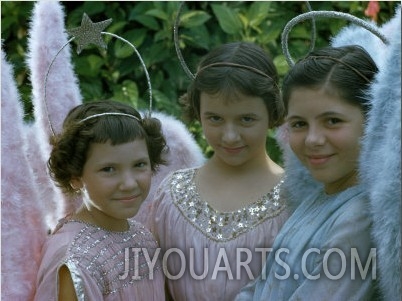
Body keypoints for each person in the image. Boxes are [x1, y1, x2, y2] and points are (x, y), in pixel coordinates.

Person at [235, 45, 379, 300]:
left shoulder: (358, 219)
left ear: (371, 121)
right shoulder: (320, 198)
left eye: (332, 121)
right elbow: (263, 285)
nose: (312, 139)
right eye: (299, 124)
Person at [149, 42, 289, 300]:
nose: (230, 136)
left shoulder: (294, 200)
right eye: (215, 118)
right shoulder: (171, 195)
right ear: (198, 113)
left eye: (246, 119)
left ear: (271, 112)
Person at [34, 100, 167, 300]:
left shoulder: (142, 235)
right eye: (109, 169)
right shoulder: (75, 260)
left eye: (139, 164)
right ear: (75, 177)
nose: (129, 183)